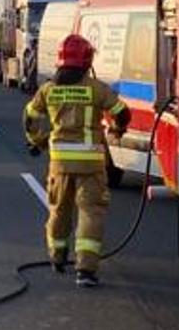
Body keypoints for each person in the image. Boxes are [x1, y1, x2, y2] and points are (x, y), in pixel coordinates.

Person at [22, 34, 130, 287]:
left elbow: (29, 118)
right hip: (90, 165)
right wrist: (117, 130)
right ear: (87, 60)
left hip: (59, 165)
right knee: (90, 213)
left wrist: (37, 140)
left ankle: (57, 257)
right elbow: (122, 112)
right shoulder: (96, 89)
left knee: (59, 210)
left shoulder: (48, 90)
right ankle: (86, 270)